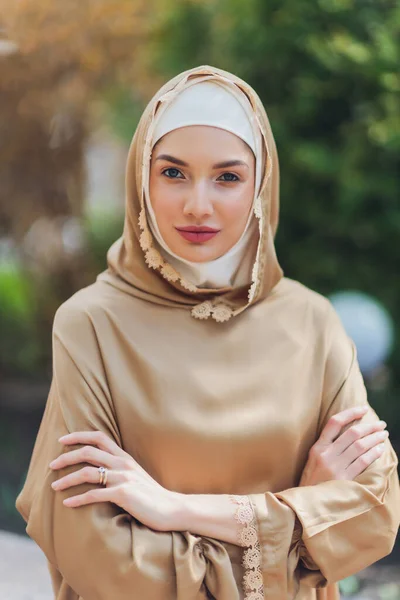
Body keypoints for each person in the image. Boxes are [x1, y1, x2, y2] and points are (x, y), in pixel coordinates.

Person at [15, 65, 400, 600]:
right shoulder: (92, 324)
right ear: (141, 179)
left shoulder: (313, 324)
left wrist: (174, 509)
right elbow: (98, 555)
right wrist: (299, 519)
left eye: (227, 177)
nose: (199, 204)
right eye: (173, 173)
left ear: (260, 184)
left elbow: (374, 514)